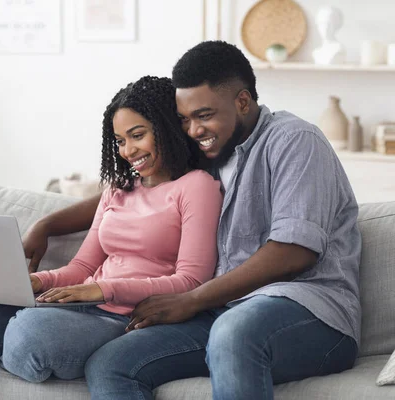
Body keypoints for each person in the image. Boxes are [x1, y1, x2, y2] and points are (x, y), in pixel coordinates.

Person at [23, 41, 361, 400]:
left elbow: (294, 252)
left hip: (312, 314)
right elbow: (127, 193)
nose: (194, 129)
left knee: (234, 332)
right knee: (112, 362)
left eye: (204, 115)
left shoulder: (294, 140)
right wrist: (47, 225)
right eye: (184, 119)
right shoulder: (211, 152)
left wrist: (194, 298)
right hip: (224, 310)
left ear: (242, 102)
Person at [0, 76, 223, 399]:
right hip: (84, 303)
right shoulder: (117, 190)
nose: (128, 150)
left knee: (26, 336)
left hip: (128, 317)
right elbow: (81, 267)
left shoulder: (197, 187)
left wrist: (103, 288)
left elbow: (192, 281)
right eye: (119, 140)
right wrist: (37, 282)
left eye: (137, 135)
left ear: (165, 128)